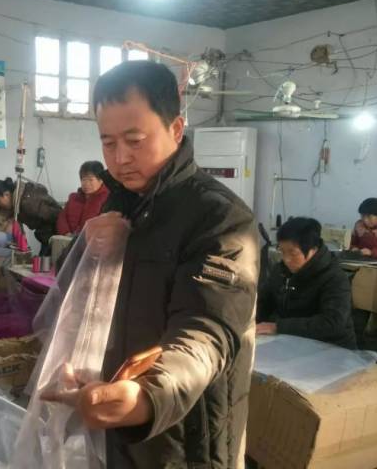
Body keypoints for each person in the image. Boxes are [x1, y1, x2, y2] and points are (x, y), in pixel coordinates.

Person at [43, 60, 258, 468]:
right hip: (119, 421)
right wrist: (86, 246)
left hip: (185, 439)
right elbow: (73, 287)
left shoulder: (220, 218)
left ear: (175, 129)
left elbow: (207, 332)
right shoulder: (122, 203)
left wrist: (148, 396)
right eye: (108, 143)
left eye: (135, 140)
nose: (120, 158)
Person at [257, 218, 356, 349]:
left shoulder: (334, 277)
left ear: (312, 250)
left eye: (293, 253)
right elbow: (263, 302)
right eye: (282, 251)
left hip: (332, 348)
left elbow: (332, 323)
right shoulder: (280, 271)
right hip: (292, 342)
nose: (286, 259)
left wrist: (278, 326)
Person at [0, 177, 61, 255]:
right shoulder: (16, 202)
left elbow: (56, 216)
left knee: (46, 259)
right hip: (45, 233)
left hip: (54, 233)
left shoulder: (27, 203)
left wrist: (58, 239)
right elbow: (2, 216)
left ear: (6, 194)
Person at [56, 160, 110, 236]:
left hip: (92, 240)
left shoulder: (108, 199)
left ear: (101, 180)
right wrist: (66, 233)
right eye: (84, 179)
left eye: (90, 180)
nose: (86, 183)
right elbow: (62, 218)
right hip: (67, 238)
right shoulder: (73, 198)